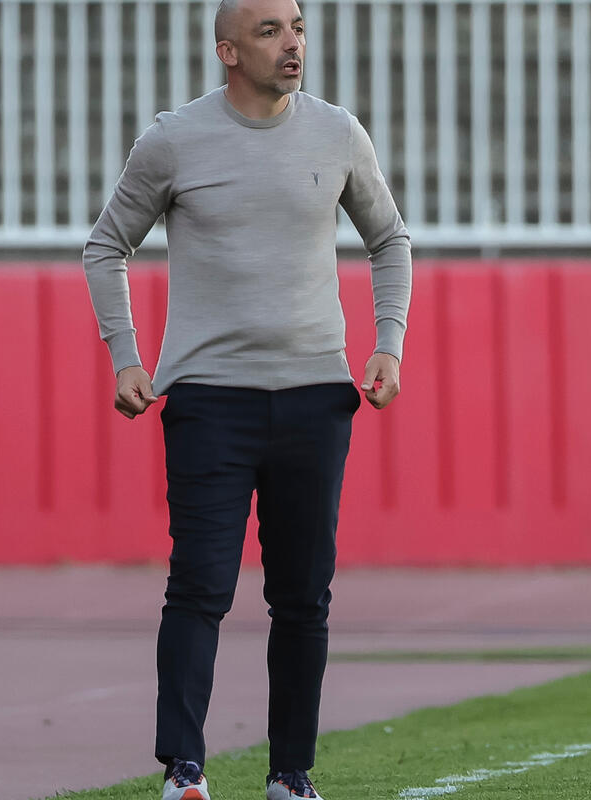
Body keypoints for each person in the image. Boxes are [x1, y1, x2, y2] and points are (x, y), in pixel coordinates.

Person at [82, 0, 410, 797]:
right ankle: (184, 771)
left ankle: (290, 776)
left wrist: (388, 342)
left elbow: (389, 239)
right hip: (209, 401)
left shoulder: (338, 133)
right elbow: (106, 245)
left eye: (297, 26)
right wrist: (126, 358)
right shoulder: (174, 140)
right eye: (270, 31)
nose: (292, 43)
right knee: (200, 587)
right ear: (228, 51)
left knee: (302, 598)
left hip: (315, 398)